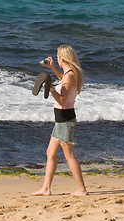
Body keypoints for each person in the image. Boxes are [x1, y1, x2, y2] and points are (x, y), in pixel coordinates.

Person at [31, 45, 87, 196]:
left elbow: (62, 100)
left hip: (65, 121)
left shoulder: (70, 76)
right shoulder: (69, 74)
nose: (56, 58)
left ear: (62, 57)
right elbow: (63, 79)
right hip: (61, 120)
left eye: (57, 57)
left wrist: (50, 88)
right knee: (50, 153)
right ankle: (46, 188)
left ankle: (81, 189)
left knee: (69, 155)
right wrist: (54, 68)